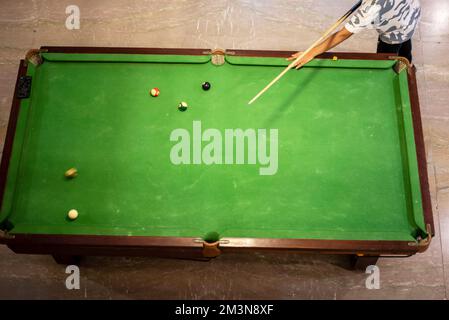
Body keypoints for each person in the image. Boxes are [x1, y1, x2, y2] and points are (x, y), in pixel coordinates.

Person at [289, 0, 421, 67]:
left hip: (393, 34)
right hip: (411, 17)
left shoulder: (371, 8)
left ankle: (397, 76)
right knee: (405, 45)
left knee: (385, 59)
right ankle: (408, 65)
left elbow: (343, 34)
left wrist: (311, 52)